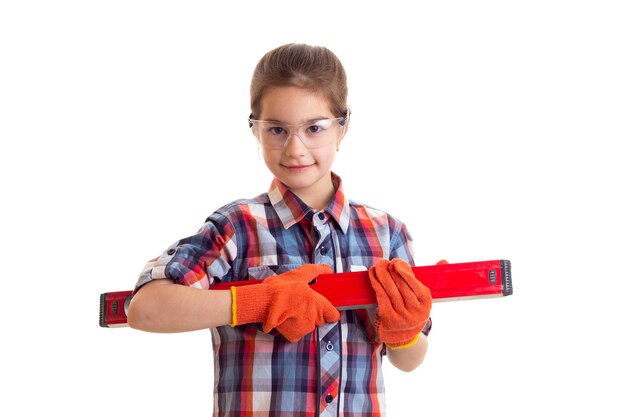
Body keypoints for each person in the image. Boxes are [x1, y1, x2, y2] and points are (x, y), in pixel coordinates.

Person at [127, 43, 433, 417]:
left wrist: (403, 332)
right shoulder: (238, 226)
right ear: (255, 129)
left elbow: (409, 360)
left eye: (314, 128)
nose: (295, 148)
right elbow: (145, 308)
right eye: (277, 129)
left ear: (343, 126)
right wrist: (259, 301)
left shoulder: (388, 234)